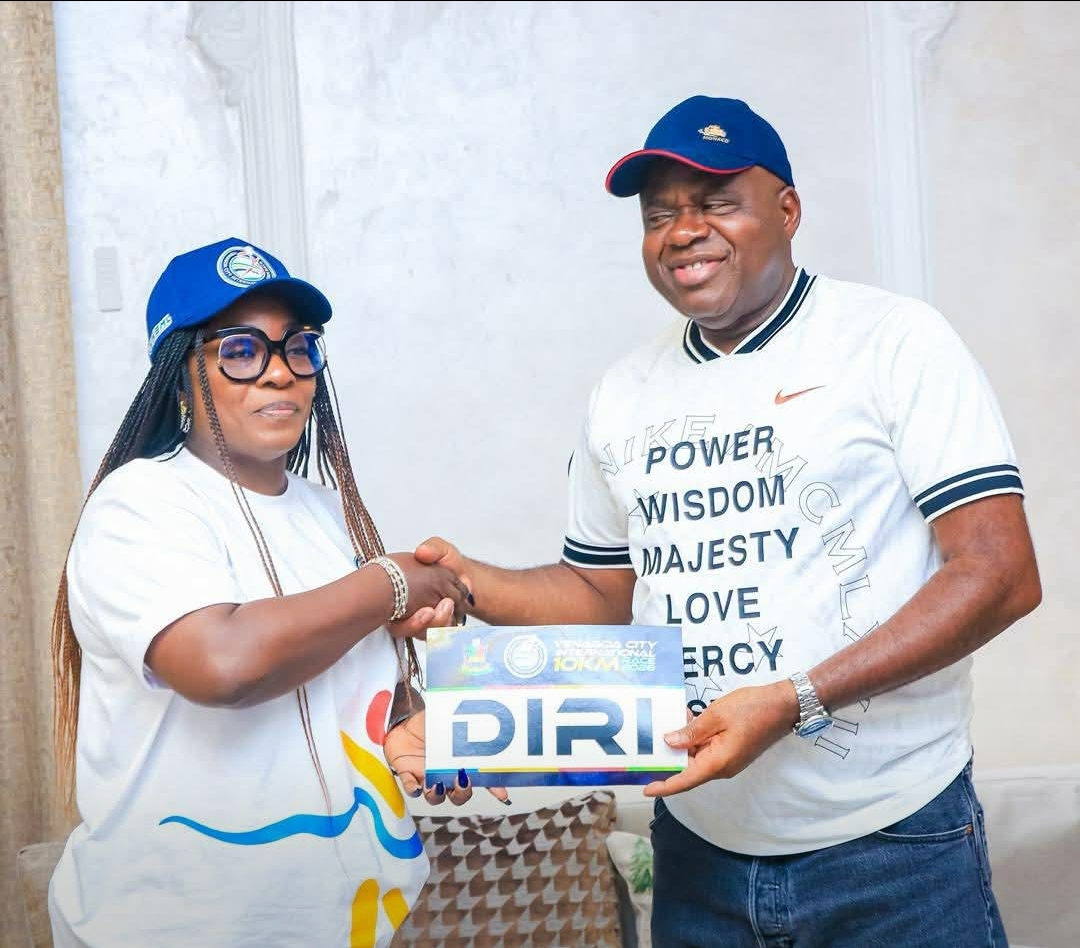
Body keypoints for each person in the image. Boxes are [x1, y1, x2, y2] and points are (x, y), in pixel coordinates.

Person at [402, 96, 1042, 947]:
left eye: (715, 202)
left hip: (893, 847)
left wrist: (793, 700)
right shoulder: (622, 393)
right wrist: (463, 583)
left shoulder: (895, 341)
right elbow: (600, 593)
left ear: (787, 210)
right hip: (700, 851)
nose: (682, 231)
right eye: (658, 214)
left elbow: (1000, 574)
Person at [47, 237, 485, 948]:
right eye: (241, 350)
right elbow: (224, 664)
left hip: (348, 924)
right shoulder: (138, 504)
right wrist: (391, 582)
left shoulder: (326, 512)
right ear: (180, 376)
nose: (280, 371)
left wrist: (405, 726)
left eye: (298, 347)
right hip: (178, 928)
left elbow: (331, 690)